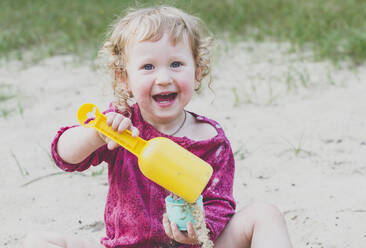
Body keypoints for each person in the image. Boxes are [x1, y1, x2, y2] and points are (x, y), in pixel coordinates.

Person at [22, 6, 293, 248]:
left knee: (265, 214)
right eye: (148, 66)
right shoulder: (122, 125)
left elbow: (219, 203)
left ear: (197, 71)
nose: (163, 78)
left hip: (194, 245)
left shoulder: (210, 139)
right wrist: (96, 134)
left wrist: (200, 229)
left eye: (176, 64)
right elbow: (63, 156)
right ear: (124, 78)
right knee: (38, 241)